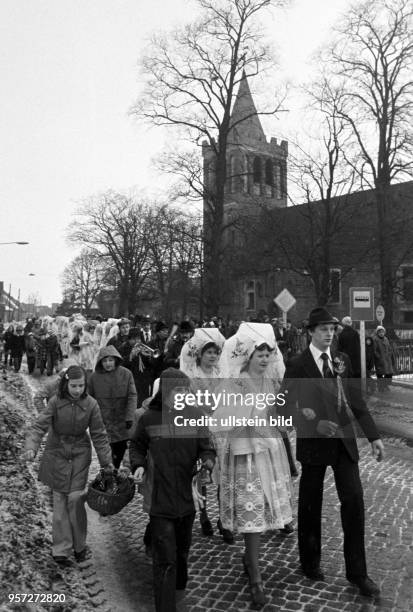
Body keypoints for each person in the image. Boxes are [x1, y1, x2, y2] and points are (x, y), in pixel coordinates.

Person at [281, 307, 384, 598]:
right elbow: (284, 408)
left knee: (354, 501)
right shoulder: (298, 365)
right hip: (314, 443)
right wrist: (312, 420)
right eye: (323, 329)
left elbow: (356, 400)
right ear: (311, 332)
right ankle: (310, 561)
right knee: (311, 504)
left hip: (344, 442)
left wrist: (373, 436)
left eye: (332, 329)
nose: (329, 334)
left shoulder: (342, 360)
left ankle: (358, 573)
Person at [214, 322, 293, 609]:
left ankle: (250, 559)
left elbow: (277, 413)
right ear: (248, 356)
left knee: (265, 509)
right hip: (245, 456)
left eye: (268, 354)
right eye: (259, 354)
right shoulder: (235, 383)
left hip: (268, 451)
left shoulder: (271, 383)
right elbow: (221, 420)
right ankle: (256, 574)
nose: (264, 359)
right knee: (252, 513)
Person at [129, 368, 216, 612]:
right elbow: (136, 445)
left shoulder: (196, 416)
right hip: (160, 498)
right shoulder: (149, 418)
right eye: (175, 391)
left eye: (184, 391)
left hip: (188, 499)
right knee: (165, 556)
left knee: (182, 550)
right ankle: (165, 606)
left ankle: (178, 589)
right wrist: (138, 465)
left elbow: (207, 448)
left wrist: (207, 464)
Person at [22, 365, 114, 566]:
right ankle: (61, 550)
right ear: (66, 384)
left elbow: (99, 434)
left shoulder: (91, 405)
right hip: (57, 453)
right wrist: (31, 446)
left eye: (81, 385)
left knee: (75, 498)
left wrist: (107, 463)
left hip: (80, 454)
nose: (77, 390)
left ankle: (79, 546)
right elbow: (39, 426)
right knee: (60, 500)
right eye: (74, 385)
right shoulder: (55, 402)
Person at [180, 327, 233, 542]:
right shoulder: (192, 376)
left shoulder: (222, 374)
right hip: (200, 427)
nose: (213, 356)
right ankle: (203, 516)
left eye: (216, 353)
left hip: (220, 427)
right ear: (200, 354)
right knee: (202, 471)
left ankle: (223, 519)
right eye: (209, 352)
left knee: (223, 473)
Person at [88, 345, 137, 469]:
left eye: (110, 360)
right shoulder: (94, 377)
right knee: (107, 455)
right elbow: (89, 399)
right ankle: (109, 475)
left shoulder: (126, 374)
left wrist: (130, 416)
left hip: (122, 422)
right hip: (103, 421)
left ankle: (116, 475)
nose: (108, 363)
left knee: (120, 451)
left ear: (115, 360)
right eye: (104, 361)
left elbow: (132, 395)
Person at [373, 326, 394, 391]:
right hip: (380, 360)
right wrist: (379, 357)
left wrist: (390, 353)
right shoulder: (375, 339)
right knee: (380, 374)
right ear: (377, 333)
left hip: (387, 360)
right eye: (380, 332)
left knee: (389, 374)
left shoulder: (386, 339)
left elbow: (389, 348)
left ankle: (385, 385)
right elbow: (374, 350)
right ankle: (380, 387)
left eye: (382, 332)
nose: (381, 333)